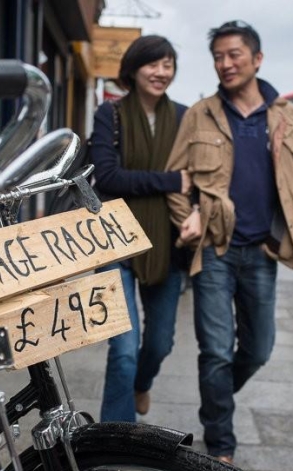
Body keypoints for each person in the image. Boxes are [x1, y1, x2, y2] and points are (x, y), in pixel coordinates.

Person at [165, 20, 293, 464]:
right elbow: (176, 179)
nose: (225, 64)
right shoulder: (201, 113)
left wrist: (289, 231)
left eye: (234, 55)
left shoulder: (286, 117)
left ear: (257, 59)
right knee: (214, 351)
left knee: (258, 349)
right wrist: (185, 217)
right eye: (218, 57)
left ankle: (214, 403)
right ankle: (221, 442)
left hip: (262, 251)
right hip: (215, 250)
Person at [90, 35, 191, 422]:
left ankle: (141, 385)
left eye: (168, 65)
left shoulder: (184, 117)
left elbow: (194, 178)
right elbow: (109, 177)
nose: (161, 72)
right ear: (133, 68)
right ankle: (115, 440)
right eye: (154, 64)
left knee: (161, 343)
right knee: (124, 348)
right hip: (116, 241)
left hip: (168, 242)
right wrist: (168, 181)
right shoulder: (110, 115)